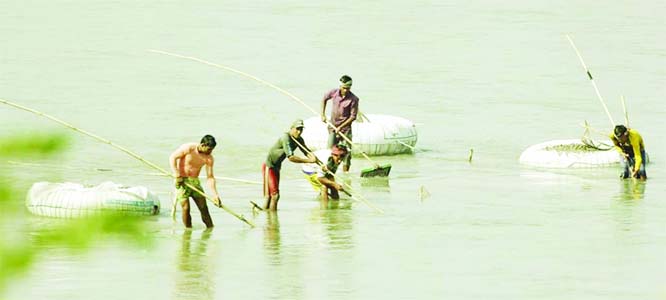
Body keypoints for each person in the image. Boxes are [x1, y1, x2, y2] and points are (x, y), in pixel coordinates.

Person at [263, 119, 317, 210]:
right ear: (292, 128)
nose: (299, 132)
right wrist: (308, 161)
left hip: (277, 167)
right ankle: (272, 220)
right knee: (273, 195)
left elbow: (306, 151)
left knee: (272, 195)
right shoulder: (286, 138)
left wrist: (315, 158)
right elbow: (291, 157)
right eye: (297, 129)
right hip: (269, 166)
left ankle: (269, 216)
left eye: (301, 129)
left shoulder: (299, 139)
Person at [169, 135, 222, 228]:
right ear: (202, 145)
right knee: (186, 208)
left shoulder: (209, 158)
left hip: (195, 182)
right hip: (182, 181)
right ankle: (188, 232)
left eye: (212, 149)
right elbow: (172, 157)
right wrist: (176, 174)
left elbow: (210, 177)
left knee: (204, 208)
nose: (210, 152)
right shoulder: (189, 148)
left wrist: (215, 195)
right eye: (209, 149)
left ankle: (210, 229)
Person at [321, 74, 359, 173]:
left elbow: (353, 116)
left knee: (347, 153)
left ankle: (345, 174)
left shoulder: (354, 99)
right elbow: (324, 99)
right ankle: (330, 172)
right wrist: (323, 114)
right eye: (344, 88)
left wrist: (341, 126)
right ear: (340, 86)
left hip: (345, 129)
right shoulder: (333, 93)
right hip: (333, 126)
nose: (346, 90)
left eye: (348, 88)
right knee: (331, 150)